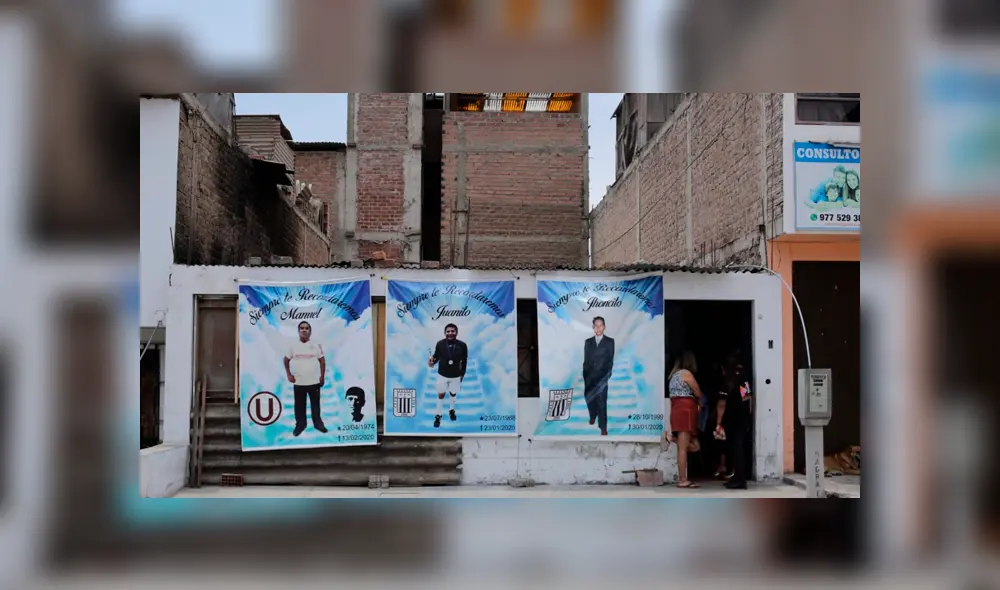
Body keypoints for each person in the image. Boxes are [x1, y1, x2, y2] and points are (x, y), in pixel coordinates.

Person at [667, 351, 706, 488]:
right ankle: (682, 479)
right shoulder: (686, 374)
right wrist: (701, 403)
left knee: (694, 446)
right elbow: (697, 392)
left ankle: (671, 438)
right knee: (683, 448)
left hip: (677, 409)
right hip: (686, 410)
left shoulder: (673, 376)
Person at [715, 353, 752, 489]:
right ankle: (738, 477)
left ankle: (740, 480)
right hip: (742, 418)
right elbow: (748, 399)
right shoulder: (743, 380)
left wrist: (718, 423)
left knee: (735, 450)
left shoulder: (727, 383)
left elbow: (721, 405)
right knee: (739, 448)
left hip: (731, 419)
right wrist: (748, 416)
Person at [284, 321, 328, 436]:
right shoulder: (293, 346)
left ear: (310, 331)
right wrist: (289, 375)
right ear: (299, 331)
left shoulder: (316, 345)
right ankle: (300, 425)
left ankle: (318, 424)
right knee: (299, 406)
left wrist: (322, 376)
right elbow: (286, 360)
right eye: (302, 328)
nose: (304, 330)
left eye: (307, 328)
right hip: (299, 382)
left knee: (315, 405)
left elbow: (322, 361)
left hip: (314, 382)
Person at [428, 323, 468, 428]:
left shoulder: (462, 345)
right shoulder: (440, 344)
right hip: (442, 374)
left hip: (456, 375)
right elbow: (436, 357)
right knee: (441, 394)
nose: (450, 333)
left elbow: (464, 361)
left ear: (456, 332)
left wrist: (462, 374)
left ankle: (451, 410)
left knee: (453, 393)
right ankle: (438, 415)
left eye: (453, 331)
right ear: (445, 333)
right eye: (448, 331)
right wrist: (432, 363)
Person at [582, 316, 615, 435]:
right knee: (589, 398)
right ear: (593, 327)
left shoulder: (610, 342)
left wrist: (607, 376)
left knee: (602, 402)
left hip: (602, 378)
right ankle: (592, 415)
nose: (598, 328)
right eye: (596, 326)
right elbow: (586, 360)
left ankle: (603, 427)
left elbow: (610, 361)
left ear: (604, 327)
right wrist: (585, 375)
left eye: (600, 325)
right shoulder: (588, 342)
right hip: (589, 377)